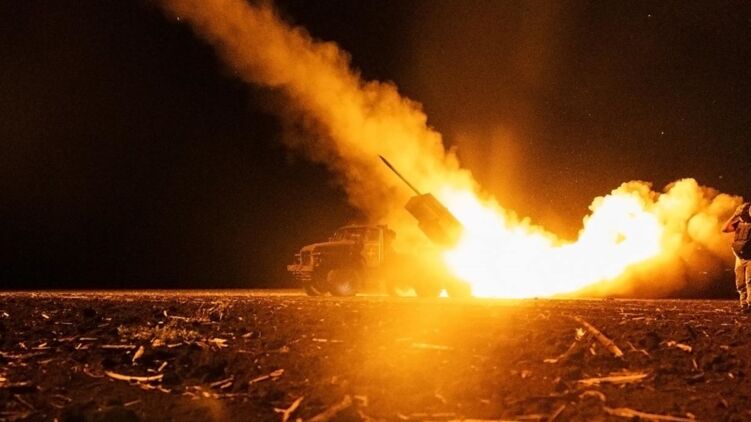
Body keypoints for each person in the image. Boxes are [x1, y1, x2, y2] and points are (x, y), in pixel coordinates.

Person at [722, 202, 751, 312]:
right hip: (739, 257)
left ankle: (750, 304)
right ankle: (743, 304)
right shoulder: (739, 223)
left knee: (749, 281)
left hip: (750, 258)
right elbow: (724, 229)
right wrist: (734, 215)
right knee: (740, 283)